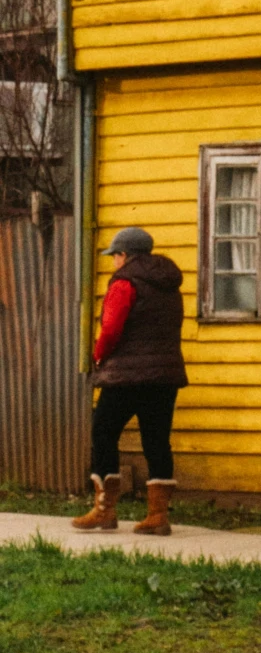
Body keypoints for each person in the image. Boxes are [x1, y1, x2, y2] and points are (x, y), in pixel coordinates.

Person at [72, 225, 188, 536]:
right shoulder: (169, 284)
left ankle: (104, 511)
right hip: (164, 376)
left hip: (126, 376)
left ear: (124, 255)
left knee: (103, 432)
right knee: (157, 441)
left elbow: (110, 329)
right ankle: (158, 516)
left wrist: (98, 356)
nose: (113, 262)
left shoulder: (123, 283)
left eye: (114, 256)